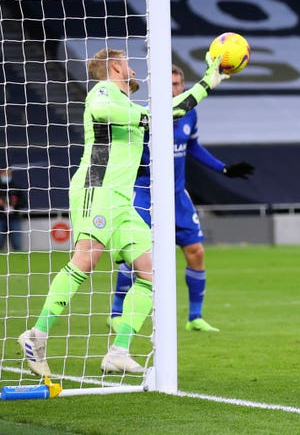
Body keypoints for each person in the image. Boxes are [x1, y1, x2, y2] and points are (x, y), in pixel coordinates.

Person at [18, 48, 228, 376]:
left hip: (121, 199)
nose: (133, 71)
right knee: (86, 259)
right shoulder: (103, 91)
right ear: (116, 66)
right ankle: (37, 336)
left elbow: (171, 110)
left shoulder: (129, 104)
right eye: (128, 65)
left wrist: (208, 82)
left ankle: (119, 351)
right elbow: (100, 108)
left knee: (151, 271)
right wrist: (139, 117)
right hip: (96, 187)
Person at [108, 64, 254, 333]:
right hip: (145, 193)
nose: (174, 89)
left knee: (196, 251)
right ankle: (116, 312)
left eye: (177, 85)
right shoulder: (144, 116)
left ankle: (194, 317)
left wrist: (224, 168)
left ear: (183, 86)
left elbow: (193, 147)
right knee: (137, 254)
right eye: (169, 85)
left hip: (176, 194)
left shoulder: (190, 115)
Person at [0, 167, 26, 251]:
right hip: (0, 218)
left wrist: (15, 204)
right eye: (5, 173)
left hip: (14, 218)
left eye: (9, 173)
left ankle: (20, 263)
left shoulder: (16, 187)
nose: (7, 175)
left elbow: (23, 202)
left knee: (17, 245)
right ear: (1, 173)